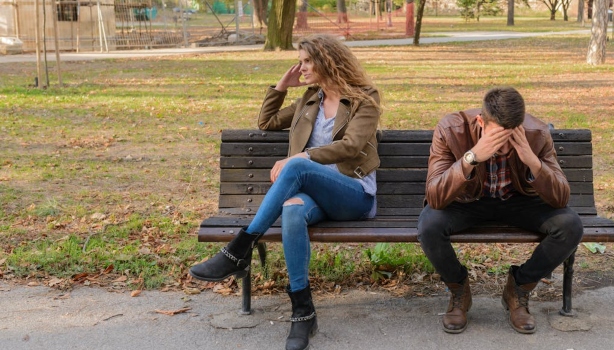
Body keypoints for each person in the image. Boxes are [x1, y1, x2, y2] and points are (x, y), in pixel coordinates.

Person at [189, 34, 381, 350]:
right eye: (300, 62)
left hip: (354, 194)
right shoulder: (309, 100)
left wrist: (302, 157)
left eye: (306, 61)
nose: (301, 67)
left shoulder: (364, 97)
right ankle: (302, 313)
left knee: (297, 166)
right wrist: (281, 86)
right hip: (314, 194)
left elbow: (352, 146)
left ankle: (239, 248)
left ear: (326, 61)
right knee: (292, 209)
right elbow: (266, 122)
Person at [417, 87, 583, 335]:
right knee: (429, 225)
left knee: (570, 226)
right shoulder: (451, 129)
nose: (503, 148)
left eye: (510, 139)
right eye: (496, 138)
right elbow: (436, 197)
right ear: (481, 121)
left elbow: (560, 198)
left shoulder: (536, 133)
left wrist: (531, 159)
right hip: (467, 202)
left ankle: (519, 288)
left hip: (518, 201)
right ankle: (459, 289)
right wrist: (471, 158)